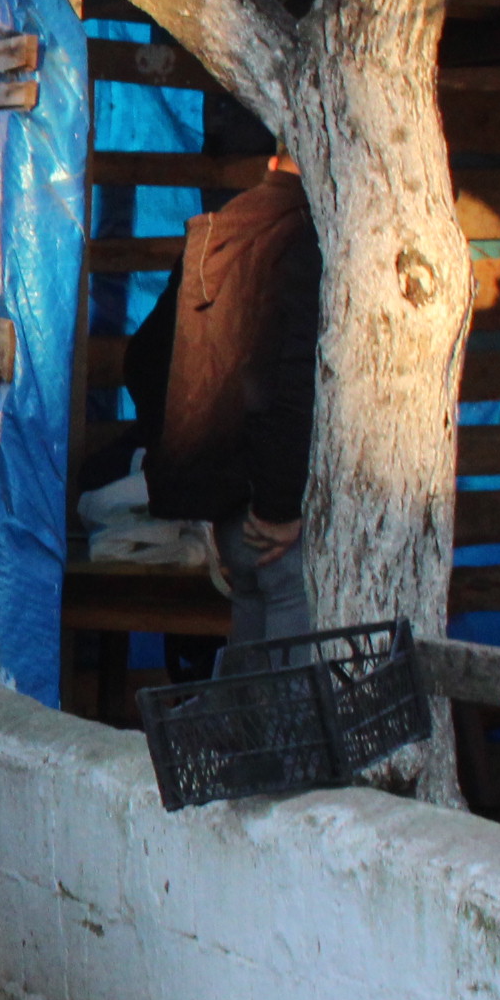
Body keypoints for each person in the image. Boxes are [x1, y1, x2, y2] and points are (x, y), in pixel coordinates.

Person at [132, 149, 320, 649]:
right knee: (292, 710)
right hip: (278, 520)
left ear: (274, 160)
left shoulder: (222, 230)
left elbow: (145, 360)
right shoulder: (307, 235)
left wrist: (207, 489)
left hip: (234, 510)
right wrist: (278, 507)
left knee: (248, 705)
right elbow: (292, 384)